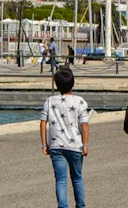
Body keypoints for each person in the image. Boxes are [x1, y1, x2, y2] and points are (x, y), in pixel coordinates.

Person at [40, 67, 91, 208]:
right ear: (73, 83)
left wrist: (44, 144)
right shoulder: (80, 101)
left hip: (56, 145)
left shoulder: (50, 101)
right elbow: (84, 125)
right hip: (75, 145)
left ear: (56, 85)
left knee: (61, 180)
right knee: (77, 178)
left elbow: (43, 123)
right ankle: (80, 206)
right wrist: (85, 144)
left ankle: (63, 206)